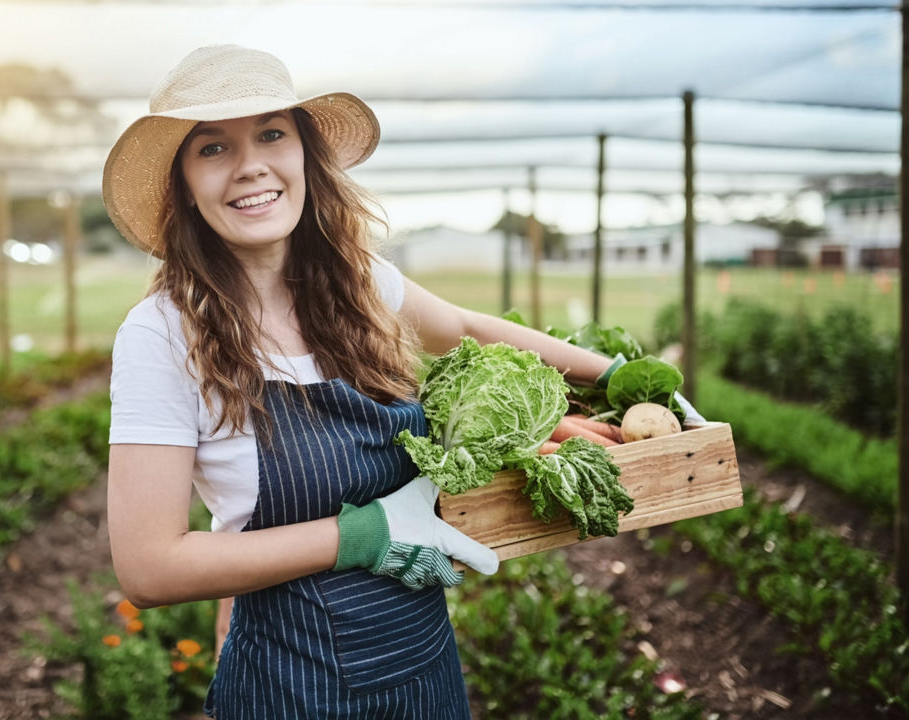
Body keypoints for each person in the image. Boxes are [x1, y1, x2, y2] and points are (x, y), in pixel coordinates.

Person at [104, 45, 629, 719]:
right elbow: (149, 568)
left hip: (424, 673)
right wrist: (363, 534)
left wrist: (612, 373)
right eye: (212, 148)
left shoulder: (360, 287)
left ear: (304, 154)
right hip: (290, 687)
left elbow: (466, 326)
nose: (251, 165)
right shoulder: (163, 335)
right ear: (182, 182)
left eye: (271, 133)